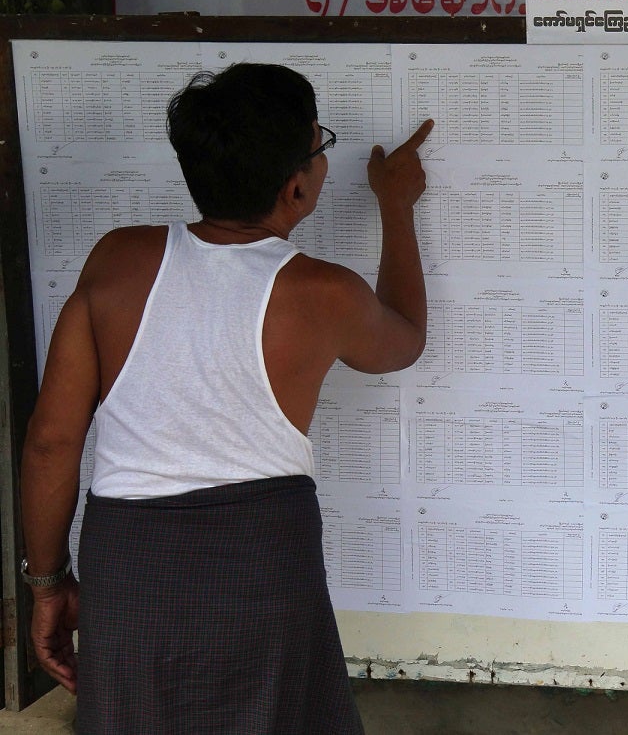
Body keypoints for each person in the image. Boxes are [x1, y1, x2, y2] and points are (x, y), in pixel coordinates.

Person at [19, 62, 433, 732]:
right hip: (263, 567)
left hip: (130, 570)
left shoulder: (118, 259)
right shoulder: (325, 295)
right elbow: (404, 339)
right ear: (295, 187)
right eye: (319, 144)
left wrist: (45, 585)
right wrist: (394, 206)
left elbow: (51, 441)